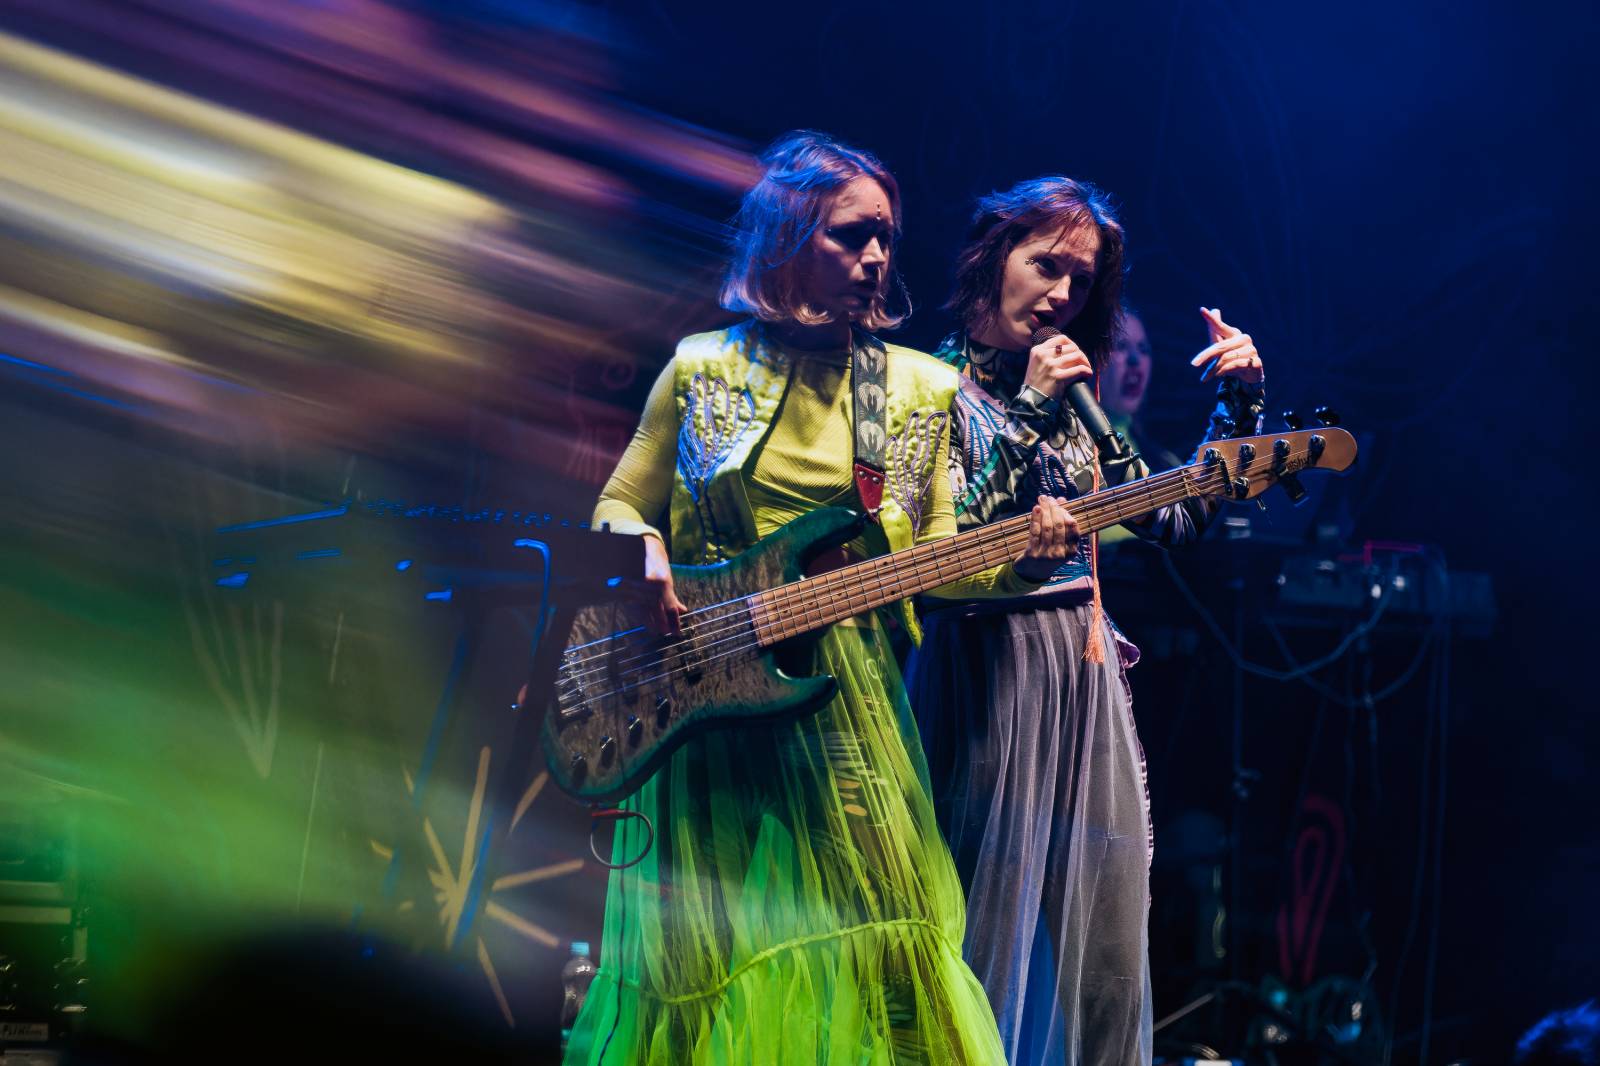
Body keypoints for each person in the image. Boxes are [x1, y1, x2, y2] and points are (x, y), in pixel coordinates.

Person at [563, 131, 1074, 1065]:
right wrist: (638, 547)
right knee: (700, 956)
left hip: (846, 702)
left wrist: (1026, 564)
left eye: (886, 236)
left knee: (892, 938)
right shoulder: (700, 367)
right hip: (701, 696)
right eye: (851, 234)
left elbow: (938, 560)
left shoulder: (919, 388)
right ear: (789, 236)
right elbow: (619, 501)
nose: (877, 256)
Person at [906, 175, 1267, 1065]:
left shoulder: (1079, 399)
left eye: (1082, 279)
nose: (1063, 294)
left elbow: (1171, 519)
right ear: (994, 255)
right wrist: (1030, 407)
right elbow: (939, 550)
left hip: (1081, 679)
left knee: (1104, 955)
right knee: (972, 944)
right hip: (985, 678)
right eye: (1047, 266)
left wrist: (1238, 404)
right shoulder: (927, 386)